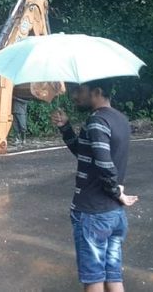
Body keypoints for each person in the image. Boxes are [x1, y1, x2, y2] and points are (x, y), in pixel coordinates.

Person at [50, 79, 139, 292]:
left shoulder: (96, 121)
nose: (74, 96)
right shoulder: (120, 119)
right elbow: (85, 154)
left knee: (93, 279)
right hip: (114, 215)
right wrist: (65, 128)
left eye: (80, 91)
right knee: (113, 276)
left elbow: (104, 164)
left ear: (97, 91)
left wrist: (116, 191)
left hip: (93, 214)